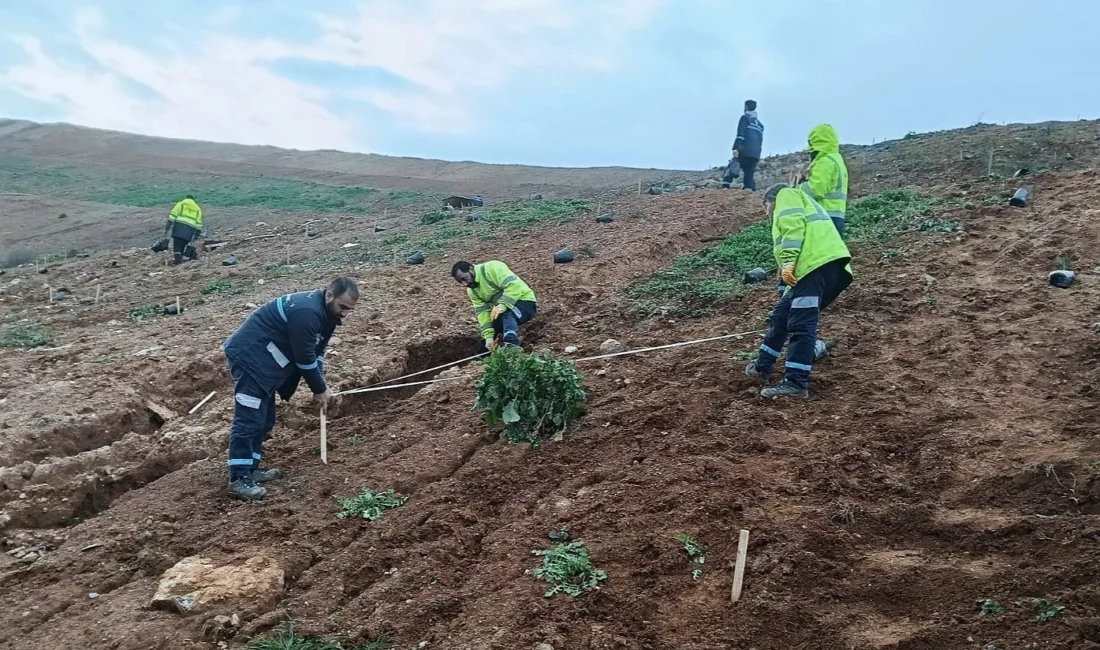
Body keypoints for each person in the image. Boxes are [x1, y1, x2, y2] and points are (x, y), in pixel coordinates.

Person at [221, 277, 359, 500]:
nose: (345, 314)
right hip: (250, 358)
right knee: (250, 419)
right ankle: (238, 479)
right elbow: (304, 358)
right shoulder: (307, 313)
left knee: (265, 420)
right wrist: (319, 389)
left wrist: (320, 382)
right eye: (343, 307)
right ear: (329, 295)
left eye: (350, 310)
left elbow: (317, 352)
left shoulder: (329, 315)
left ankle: (250, 469)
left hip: (266, 364)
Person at [745, 183, 852, 399]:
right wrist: (786, 291)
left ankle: (796, 383)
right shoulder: (799, 200)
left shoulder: (786, 195)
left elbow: (793, 227)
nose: (766, 214)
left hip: (815, 267)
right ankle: (761, 368)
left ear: (771, 200)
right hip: (817, 270)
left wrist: (788, 262)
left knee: (801, 324)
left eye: (765, 207)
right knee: (781, 315)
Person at [451, 260, 536, 353]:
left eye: (464, 278)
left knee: (507, 314)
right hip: (503, 309)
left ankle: (512, 345)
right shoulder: (472, 291)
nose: (465, 284)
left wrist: (503, 305)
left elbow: (513, 285)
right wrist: (488, 337)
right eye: (461, 282)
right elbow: (482, 313)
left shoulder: (492, 268)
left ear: (471, 268)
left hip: (525, 302)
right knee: (493, 330)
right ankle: (480, 358)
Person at [798, 124, 848, 237]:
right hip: (836, 216)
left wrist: (796, 190)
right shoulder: (836, 159)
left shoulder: (825, 162)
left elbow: (815, 190)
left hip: (824, 216)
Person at [732, 100, 764, 191]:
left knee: (733, 165)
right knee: (749, 171)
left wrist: (736, 147)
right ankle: (750, 188)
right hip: (756, 152)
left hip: (745, 149)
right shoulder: (760, 125)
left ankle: (725, 186)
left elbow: (740, 135)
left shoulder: (745, 118)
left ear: (746, 107)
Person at [164, 195, 203, 264]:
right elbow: (199, 224)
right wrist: (196, 236)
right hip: (190, 230)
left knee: (177, 245)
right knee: (183, 244)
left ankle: (178, 261)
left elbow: (171, 217)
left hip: (179, 227)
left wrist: (167, 229)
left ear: (185, 198)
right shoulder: (198, 209)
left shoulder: (181, 204)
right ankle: (181, 258)